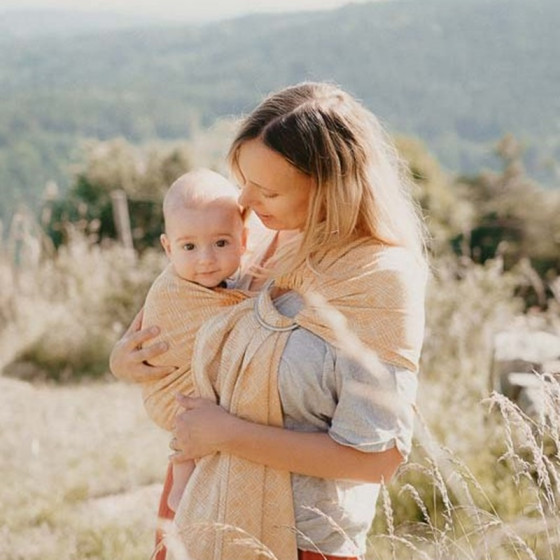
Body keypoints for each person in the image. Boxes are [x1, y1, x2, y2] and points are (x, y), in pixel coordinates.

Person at [110, 81, 428, 560]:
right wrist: (123, 359)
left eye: (267, 190)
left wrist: (227, 434)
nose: (245, 199)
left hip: (297, 542)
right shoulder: (254, 237)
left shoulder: (377, 281)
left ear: (328, 189)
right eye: (244, 180)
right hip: (198, 513)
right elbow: (171, 309)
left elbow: (378, 459)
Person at [138, 168, 248, 514]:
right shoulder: (173, 291)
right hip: (169, 393)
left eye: (221, 243)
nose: (206, 258)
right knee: (193, 409)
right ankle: (182, 486)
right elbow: (243, 313)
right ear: (168, 248)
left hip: (178, 393)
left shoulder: (215, 286)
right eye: (189, 246)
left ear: (243, 240)